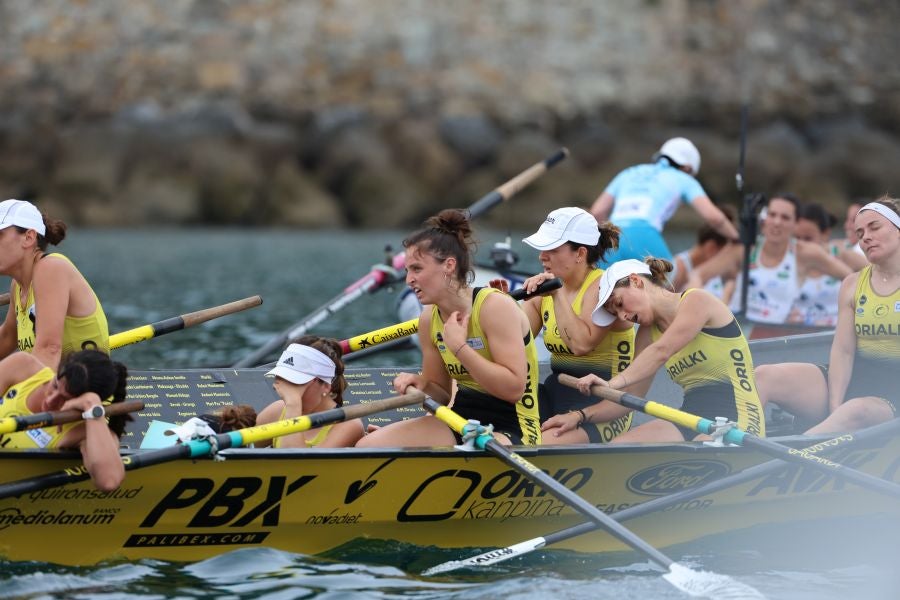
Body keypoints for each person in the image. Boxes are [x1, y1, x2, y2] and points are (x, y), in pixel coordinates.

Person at [357, 209, 542, 448]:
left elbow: (513, 389)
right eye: (407, 271)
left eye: (417, 269)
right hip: (460, 418)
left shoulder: (495, 307)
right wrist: (422, 383)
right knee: (367, 446)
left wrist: (460, 348)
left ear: (449, 266)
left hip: (513, 425)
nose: (408, 280)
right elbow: (441, 396)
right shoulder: (428, 320)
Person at [549, 258, 765, 442]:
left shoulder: (697, 300)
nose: (623, 315)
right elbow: (628, 397)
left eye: (620, 303)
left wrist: (611, 383)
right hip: (692, 417)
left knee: (699, 448)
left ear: (636, 281)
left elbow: (662, 350)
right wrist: (579, 415)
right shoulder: (646, 333)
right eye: (615, 312)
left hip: (738, 416)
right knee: (619, 449)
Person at [754, 197, 900, 433]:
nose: (866, 237)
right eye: (860, 233)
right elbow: (843, 352)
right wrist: (834, 405)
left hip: (892, 392)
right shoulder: (852, 284)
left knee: (853, 411)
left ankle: (793, 459)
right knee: (763, 376)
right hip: (852, 379)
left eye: (875, 227)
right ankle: (731, 450)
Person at [491, 207, 634, 444]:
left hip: (602, 407)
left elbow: (581, 344)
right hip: (552, 396)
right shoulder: (543, 292)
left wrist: (556, 295)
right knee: (484, 414)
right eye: (542, 249)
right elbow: (510, 347)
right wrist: (497, 310)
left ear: (580, 253)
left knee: (533, 445)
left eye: (553, 249)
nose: (542, 256)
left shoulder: (603, 288)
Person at [687, 193, 853, 338]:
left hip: (774, 336)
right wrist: (694, 305)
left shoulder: (805, 253)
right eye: (772, 215)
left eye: (785, 217)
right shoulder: (744, 248)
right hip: (735, 332)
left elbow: (854, 279)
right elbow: (698, 275)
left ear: (796, 225)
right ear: (764, 220)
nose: (777, 222)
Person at [590, 137, 739, 265]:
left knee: (604, 293)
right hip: (645, 234)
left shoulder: (629, 172)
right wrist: (737, 238)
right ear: (687, 169)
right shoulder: (684, 179)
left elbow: (597, 212)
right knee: (670, 288)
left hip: (612, 237)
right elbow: (714, 217)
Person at [0, 199, 109, 371]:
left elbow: (49, 350)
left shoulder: (51, 268)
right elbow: (7, 337)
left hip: (83, 394)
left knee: (17, 364)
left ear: (29, 238)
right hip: (55, 389)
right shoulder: (18, 285)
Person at [0, 349, 130, 491]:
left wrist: (92, 405)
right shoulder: (22, 366)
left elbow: (109, 481)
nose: (50, 401)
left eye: (65, 399)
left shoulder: (84, 431)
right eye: (55, 385)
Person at [255, 336, 363, 448]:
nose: (288, 393)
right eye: (285, 382)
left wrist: (293, 405)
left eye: (296, 383)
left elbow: (296, 463)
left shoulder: (348, 425)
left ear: (326, 386)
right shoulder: (278, 410)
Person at [787, 202, 865, 328]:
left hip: (836, 338)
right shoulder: (786, 260)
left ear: (826, 234)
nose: (802, 245)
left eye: (808, 239)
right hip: (795, 337)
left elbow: (885, 275)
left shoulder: (843, 256)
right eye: (796, 238)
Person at [670, 204, 739, 300]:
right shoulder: (678, 270)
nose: (727, 258)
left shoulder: (722, 272)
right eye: (725, 253)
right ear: (711, 248)